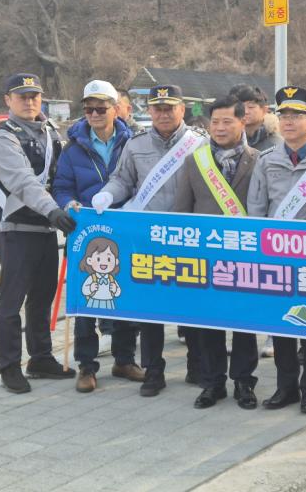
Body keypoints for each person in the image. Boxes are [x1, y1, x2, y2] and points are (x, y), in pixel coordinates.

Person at [92, 84, 208, 397]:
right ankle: (154, 371)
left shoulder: (200, 143)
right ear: (150, 111)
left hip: (189, 238)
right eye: (157, 108)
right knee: (151, 310)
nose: (164, 113)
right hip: (150, 239)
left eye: (170, 107)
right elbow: (122, 180)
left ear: (182, 109)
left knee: (191, 306)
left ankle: (197, 367)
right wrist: (107, 195)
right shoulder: (136, 144)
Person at [52, 80, 144, 393]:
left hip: (125, 229)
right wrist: (69, 204)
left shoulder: (132, 141)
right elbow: (61, 187)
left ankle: (124, 359)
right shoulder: (73, 146)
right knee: (86, 301)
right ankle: (87, 367)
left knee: (126, 294)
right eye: (88, 108)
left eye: (100, 108)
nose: (93, 114)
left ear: (115, 108)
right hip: (87, 232)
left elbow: (139, 182)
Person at [0, 73, 77, 393]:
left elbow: (64, 176)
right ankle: (9, 366)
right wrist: (54, 211)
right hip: (15, 231)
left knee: (42, 298)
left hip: (44, 230)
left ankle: (40, 357)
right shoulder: (3, 138)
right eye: (22, 96)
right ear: (7, 100)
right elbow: (23, 182)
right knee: (11, 303)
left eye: (35, 95)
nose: (30, 101)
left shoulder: (51, 132)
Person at [173, 95, 259, 410]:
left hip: (244, 256)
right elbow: (183, 209)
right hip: (205, 257)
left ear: (242, 122)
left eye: (227, 121)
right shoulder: (195, 161)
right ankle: (212, 383)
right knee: (207, 322)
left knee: (244, 323)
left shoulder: (258, 159)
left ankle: (244, 382)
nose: (220, 128)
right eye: (215, 121)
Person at [248, 86, 306, 414]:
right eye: (284, 115)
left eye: (297, 116)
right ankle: (286, 386)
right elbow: (256, 207)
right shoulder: (267, 160)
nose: (288, 122)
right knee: (281, 323)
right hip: (277, 256)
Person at [231, 84, 282, 152]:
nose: (245, 111)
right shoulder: (231, 140)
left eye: (251, 107)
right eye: (241, 107)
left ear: (264, 110)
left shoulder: (276, 145)